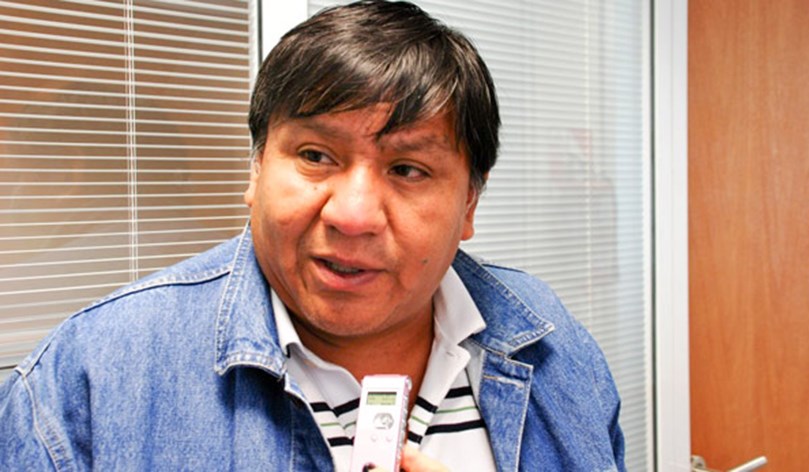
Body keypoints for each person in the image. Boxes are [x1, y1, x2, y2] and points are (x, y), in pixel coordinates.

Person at [0, 1, 625, 470]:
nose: (352, 215)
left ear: (469, 204)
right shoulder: (96, 376)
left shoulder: (552, 349)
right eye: (315, 156)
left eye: (408, 169)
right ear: (255, 171)